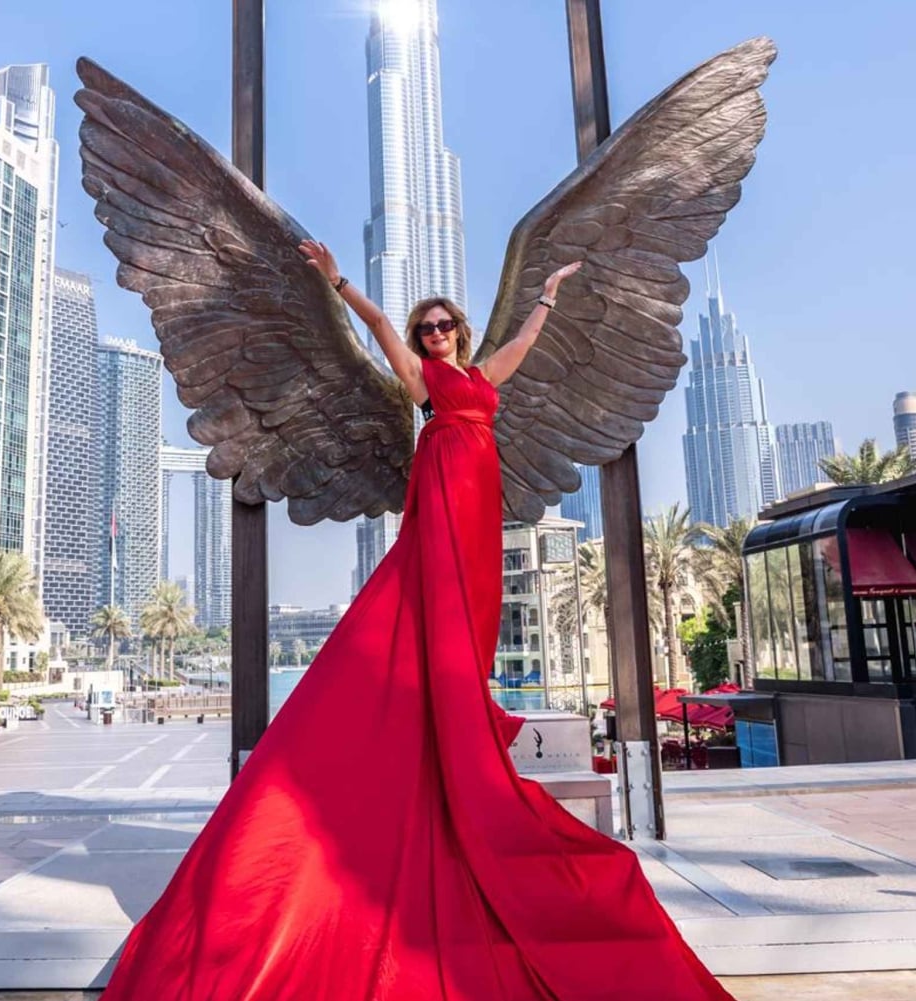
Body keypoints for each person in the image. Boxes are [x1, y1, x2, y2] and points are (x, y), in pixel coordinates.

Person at [97, 244, 731, 1000]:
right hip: (442, 502)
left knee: (472, 622)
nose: (432, 334)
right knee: (425, 610)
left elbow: (525, 344)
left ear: (459, 330)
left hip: (478, 510)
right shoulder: (426, 383)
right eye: (425, 328)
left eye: (441, 325)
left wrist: (552, 293)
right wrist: (336, 281)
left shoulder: (481, 376)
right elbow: (373, 327)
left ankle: (457, 695)